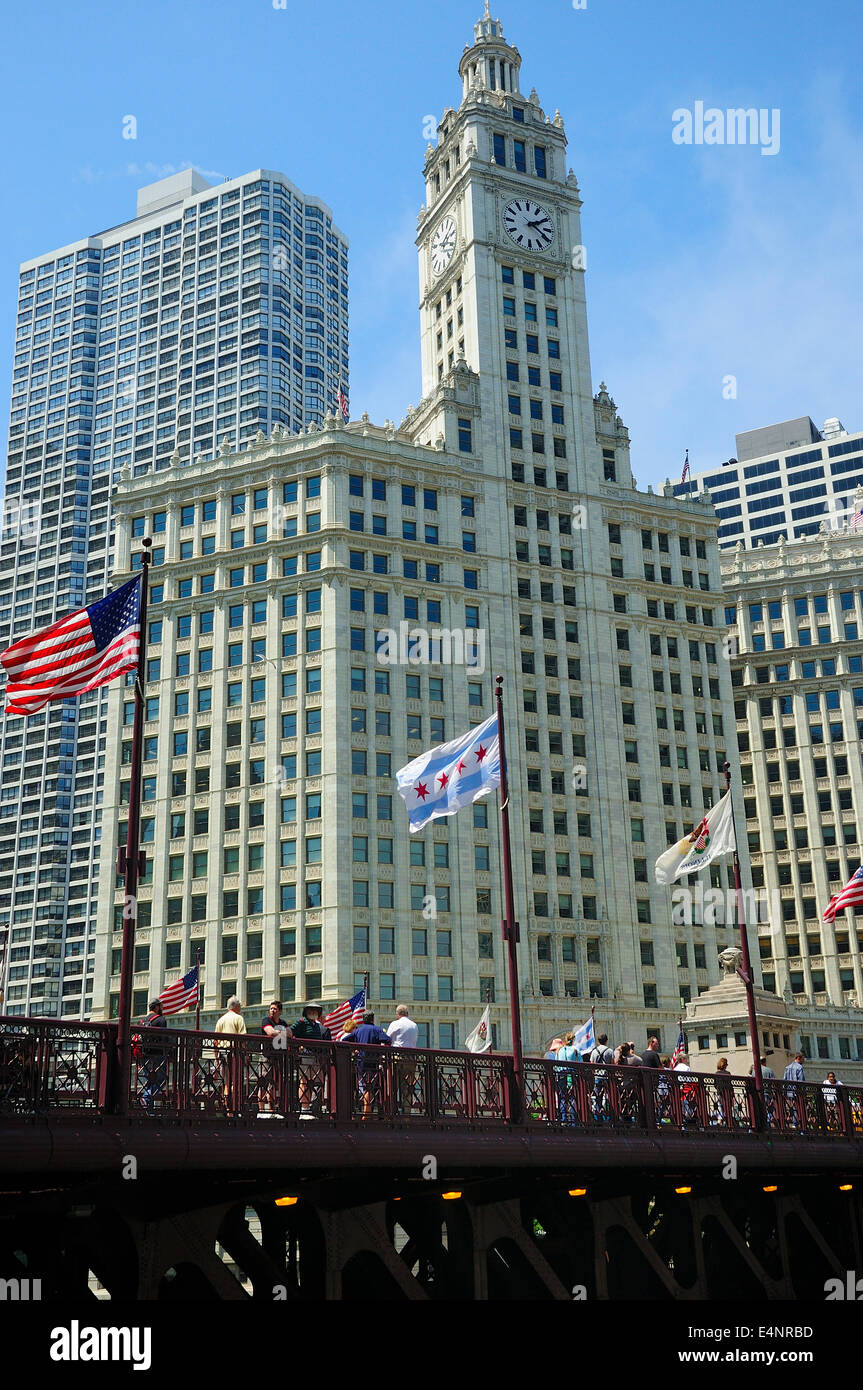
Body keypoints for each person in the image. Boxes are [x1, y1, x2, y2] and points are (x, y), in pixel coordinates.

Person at [291, 1002, 332, 1118]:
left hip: (316, 1057)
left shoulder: (315, 1026)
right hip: (305, 1055)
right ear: (306, 1012)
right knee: (304, 1081)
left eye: (315, 1011)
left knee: (316, 1082)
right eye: (310, 1011)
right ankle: (304, 1109)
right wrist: (279, 1036)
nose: (313, 1013)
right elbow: (290, 1031)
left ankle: (312, 1107)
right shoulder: (302, 1022)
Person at [352, 1011, 392, 1118]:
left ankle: (367, 1111)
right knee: (369, 1086)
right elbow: (388, 1040)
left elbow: (345, 1040)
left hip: (361, 1062)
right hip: (373, 1062)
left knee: (364, 1086)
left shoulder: (358, 1030)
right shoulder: (377, 1030)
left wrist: (355, 1049)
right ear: (372, 1019)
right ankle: (367, 1112)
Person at [259, 1001, 291, 1117]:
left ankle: (272, 1111)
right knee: (263, 1083)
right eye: (271, 1008)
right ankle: (262, 1111)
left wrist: (278, 1032)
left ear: (280, 1011)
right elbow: (270, 1032)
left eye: (275, 1009)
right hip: (266, 1057)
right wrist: (281, 1032)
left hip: (279, 1057)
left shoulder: (283, 1022)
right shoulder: (266, 1020)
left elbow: (290, 1033)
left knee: (274, 1084)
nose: (272, 1010)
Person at [215, 996, 246, 1115]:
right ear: (236, 1006)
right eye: (240, 1006)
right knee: (235, 1082)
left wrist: (217, 1058)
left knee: (227, 1083)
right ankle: (234, 1108)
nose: (241, 1008)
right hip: (234, 1053)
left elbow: (215, 1042)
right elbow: (242, 1038)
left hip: (223, 1054)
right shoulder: (238, 1018)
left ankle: (227, 1108)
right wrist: (246, 1054)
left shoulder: (220, 1020)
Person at [387, 1005, 419, 1114]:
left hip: (397, 1058)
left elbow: (387, 1040)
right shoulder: (414, 1025)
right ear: (407, 1014)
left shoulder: (395, 1024)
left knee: (392, 1086)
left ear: (397, 1014)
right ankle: (407, 1113)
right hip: (412, 1059)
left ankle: (391, 1111)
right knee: (408, 1088)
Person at [139, 998, 167, 1115]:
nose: (162, 1008)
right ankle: (146, 1097)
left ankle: (149, 1112)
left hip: (143, 1056)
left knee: (149, 1081)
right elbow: (165, 1039)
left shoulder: (142, 1021)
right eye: (161, 1006)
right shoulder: (161, 1020)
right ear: (156, 1007)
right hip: (157, 1056)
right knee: (161, 1080)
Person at [555, 1031, 580, 1125]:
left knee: (562, 1097)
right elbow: (581, 1063)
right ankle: (573, 1119)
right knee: (572, 1097)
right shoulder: (575, 1050)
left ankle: (563, 1118)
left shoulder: (559, 1050)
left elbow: (556, 1064)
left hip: (561, 1075)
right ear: (573, 1040)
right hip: (571, 1074)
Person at [589, 1033, 613, 1121]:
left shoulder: (594, 1051)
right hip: (607, 1077)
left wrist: (595, 1073)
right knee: (609, 1096)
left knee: (597, 1097)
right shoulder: (610, 1051)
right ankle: (610, 1116)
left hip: (598, 1077)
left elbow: (592, 1065)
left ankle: (599, 1117)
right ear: (606, 1041)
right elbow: (612, 1063)